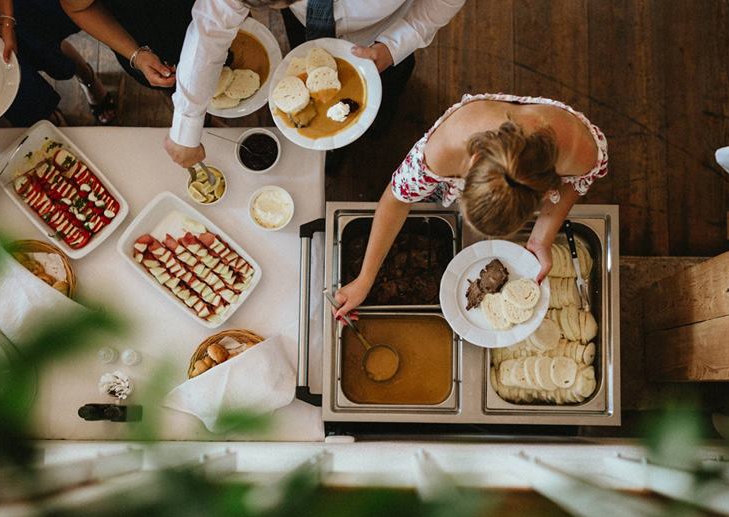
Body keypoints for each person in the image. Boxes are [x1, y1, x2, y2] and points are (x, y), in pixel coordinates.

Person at [332, 93, 609, 319]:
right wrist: (365, 278)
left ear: (543, 190)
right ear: (472, 163)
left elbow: (577, 182)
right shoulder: (444, 148)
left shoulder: (578, 148)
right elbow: (396, 200)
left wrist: (542, 238)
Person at [164, 0, 466, 168]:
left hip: (385, 32)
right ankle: (331, 150)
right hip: (309, 24)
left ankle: (378, 127)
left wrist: (394, 45)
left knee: (385, 103)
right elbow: (211, 28)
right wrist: (186, 126)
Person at [60, 0, 195, 90]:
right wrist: (136, 55)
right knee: (172, 84)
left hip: (204, 17)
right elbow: (79, 8)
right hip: (152, 40)